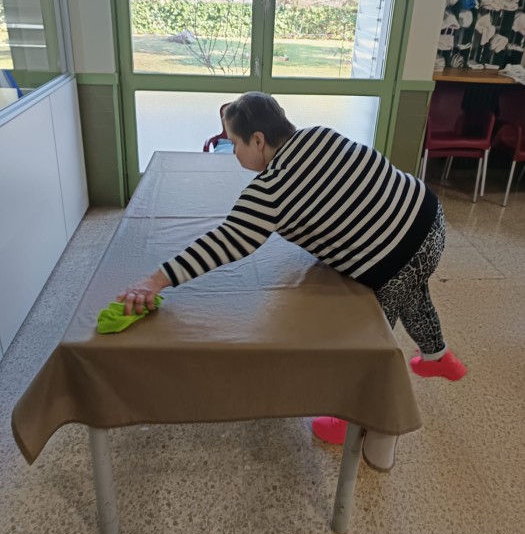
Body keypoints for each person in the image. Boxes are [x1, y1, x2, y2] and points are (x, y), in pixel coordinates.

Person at [117, 91, 467, 446]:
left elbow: (225, 242)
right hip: (430, 219)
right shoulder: (320, 134)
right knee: (414, 291)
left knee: (368, 338)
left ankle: (351, 418)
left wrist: (157, 280)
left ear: (258, 140)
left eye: (234, 143)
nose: (233, 151)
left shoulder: (270, 190)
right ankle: (437, 355)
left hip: (394, 260)